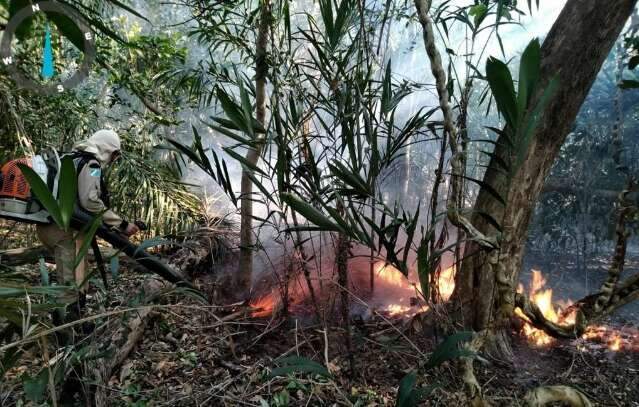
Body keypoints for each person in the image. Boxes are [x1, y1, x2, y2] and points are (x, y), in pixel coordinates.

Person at [36, 129, 139, 320]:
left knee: (79, 276)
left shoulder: (73, 158)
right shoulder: (91, 164)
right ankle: (67, 333)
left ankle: (76, 324)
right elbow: (90, 201)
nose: (114, 159)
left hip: (50, 226)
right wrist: (122, 224)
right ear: (107, 148)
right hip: (63, 230)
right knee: (70, 283)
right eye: (115, 153)